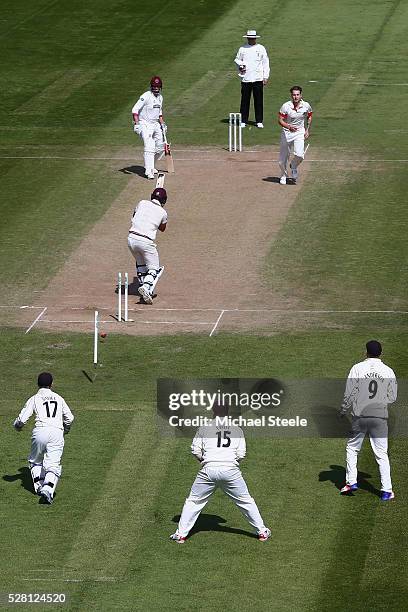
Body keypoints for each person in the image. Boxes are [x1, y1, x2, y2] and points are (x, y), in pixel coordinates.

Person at [170, 404, 271, 543]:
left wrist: (205, 461)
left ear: (213, 411)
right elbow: (241, 454)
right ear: (227, 411)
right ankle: (262, 532)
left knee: (193, 501)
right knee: (246, 501)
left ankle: (180, 535)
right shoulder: (237, 429)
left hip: (208, 470)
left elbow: (195, 450)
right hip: (231, 471)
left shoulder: (204, 427)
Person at [338, 340, 398, 501]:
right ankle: (386, 490)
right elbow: (393, 396)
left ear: (366, 352)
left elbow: (349, 393)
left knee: (352, 448)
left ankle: (351, 482)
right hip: (379, 417)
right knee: (381, 454)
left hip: (360, 416)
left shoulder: (357, 368)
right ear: (381, 353)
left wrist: (343, 410)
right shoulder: (388, 371)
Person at [13, 372, 74, 505]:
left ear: (37, 384)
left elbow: (21, 420)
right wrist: (66, 429)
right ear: (52, 384)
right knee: (53, 464)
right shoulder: (59, 398)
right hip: (57, 432)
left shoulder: (34, 398)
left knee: (35, 461)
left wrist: (17, 426)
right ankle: (48, 488)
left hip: (40, 431)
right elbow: (70, 418)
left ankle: (40, 486)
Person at [127, 187, 168, 304]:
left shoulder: (142, 203)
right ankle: (146, 287)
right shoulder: (163, 213)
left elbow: (135, 215)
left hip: (131, 239)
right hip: (145, 241)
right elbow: (162, 228)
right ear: (164, 200)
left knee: (141, 264)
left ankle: (144, 288)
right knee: (154, 269)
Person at [132, 76, 167, 180]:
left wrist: (163, 124)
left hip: (155, 123)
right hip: (144, 123)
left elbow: (159, 113)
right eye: (154, 87)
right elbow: (135, 110)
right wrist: (137, 124)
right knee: (150, 146)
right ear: (151, 87)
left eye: (158, 87)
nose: (156, 89)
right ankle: (149, 171)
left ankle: (151, 166)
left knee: (161, 146)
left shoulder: (160, 97)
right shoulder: (146, 96)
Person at [234, 29, 270, 128]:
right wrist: (241, 65)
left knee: (258, 100)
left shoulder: (261, 48)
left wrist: (265, 76)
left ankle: (259, 120)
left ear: (255, 38)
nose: (251, 40)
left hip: (258, 78)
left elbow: (265, 63)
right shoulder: (242, 49)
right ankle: (243, 120)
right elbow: (237, 59)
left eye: (252, 38)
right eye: (249, 38)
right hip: (246, 78)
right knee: (245, 100)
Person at [278, 85, 313, 185]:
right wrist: (288, 126)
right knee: (282, 159)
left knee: (300, 155)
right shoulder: (286, 106)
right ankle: (283, 175)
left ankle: (293, 166)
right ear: (291, 95)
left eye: (297, 95)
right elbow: (280, 120)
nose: (296, 97)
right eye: (294, 95)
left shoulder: (306, 106)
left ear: (301, 95)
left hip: (299, 132)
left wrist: (307, 130)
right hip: (287, 132)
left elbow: (309, 116)